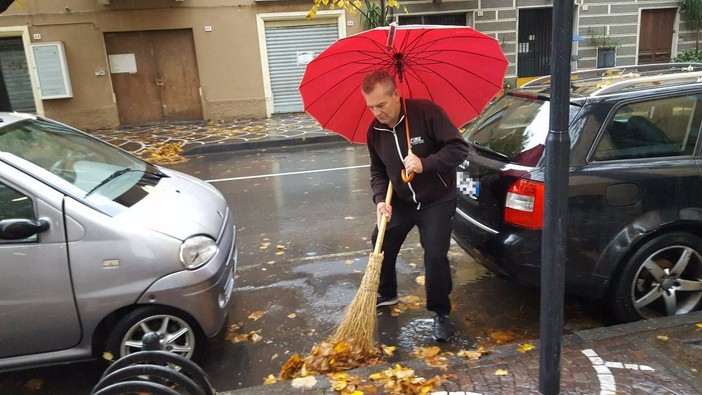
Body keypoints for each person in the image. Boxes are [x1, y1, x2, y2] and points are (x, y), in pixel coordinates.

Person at [361, 69, 470, 342]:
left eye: (381, 105)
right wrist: (379, 201)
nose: (377, 112)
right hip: (401, 200)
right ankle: (387, 292)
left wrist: (426, 163)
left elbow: (458, 148)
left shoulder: (427, 113)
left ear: (396, 95)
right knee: (381, 239)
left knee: (434, 254)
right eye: (371, 107)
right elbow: (378, 171)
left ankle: (440, 312)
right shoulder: (374, 131)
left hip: (437, 199)